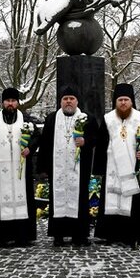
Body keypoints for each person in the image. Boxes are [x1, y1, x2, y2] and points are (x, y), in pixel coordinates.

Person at [93, 83, 140, 249]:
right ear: (115, 102)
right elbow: (100, 144)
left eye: (126, 100)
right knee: (112, 200)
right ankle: (110, 234)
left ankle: (135, 234)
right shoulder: (107, 119)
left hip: (135, 169)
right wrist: (99, 169)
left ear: (132, 101)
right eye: (120, 100)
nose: (123, 103)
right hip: (112, 168)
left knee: (135, 202)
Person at [38, 86, 98, 246]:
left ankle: (80, 235)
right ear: (61, 102)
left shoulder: (87, 118)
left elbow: (96, 138)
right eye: (65, 99)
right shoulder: (51, 119)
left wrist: (86, 141)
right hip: (56, 168)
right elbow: (44, 144)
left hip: (79, 169)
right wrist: (42, 168)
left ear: (77, 101)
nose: (68, 101)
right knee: (57, 197)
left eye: (71, 98)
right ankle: (58, 235)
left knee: (79, 198)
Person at [0, 87, 41, 247]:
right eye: (7, 101)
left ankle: (22, 235)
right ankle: (1, 236)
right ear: (3, 102)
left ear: (17, 102)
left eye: (13, 101)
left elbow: (37, 136)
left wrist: (30, 147)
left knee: (23, 198)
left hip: (21, 169)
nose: (10, 103)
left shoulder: (27, 120)